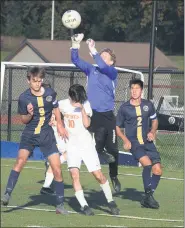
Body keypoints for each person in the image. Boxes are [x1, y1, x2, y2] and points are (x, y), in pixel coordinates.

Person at [1, 67, 68, 214]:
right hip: (29, 134)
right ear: (28, 81)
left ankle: (60, 205)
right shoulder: (24, 98)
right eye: (34, 81)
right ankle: (7, 194)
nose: (37, 84)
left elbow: (56, 108)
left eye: (39, 81)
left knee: (57, 168)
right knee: (20, 161)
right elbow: (24, 120)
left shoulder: (50, 93)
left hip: (46, 135)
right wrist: (30, 114)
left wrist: (60, 125)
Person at [58, 84, 120, 215]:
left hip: (86, 145)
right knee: (74, 175)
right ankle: (84, 206)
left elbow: (87, 124)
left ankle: (110, 201)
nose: (78, 100)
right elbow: (55, 109)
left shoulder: (85, 104)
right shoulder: (63, 104)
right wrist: (59, 124)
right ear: (71, 96)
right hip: (72, 146)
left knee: (98, 175)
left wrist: (81, 109)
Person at [70, 33, 121, 193]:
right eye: (101, 56)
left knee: (113, 150)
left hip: (108, 115)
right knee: (96, 143)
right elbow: (76, 60)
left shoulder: (112, 72)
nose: (102, 58)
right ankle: (101, 154)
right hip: (94, 114)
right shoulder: (92, 70)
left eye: (106, 57)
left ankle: (113, 176)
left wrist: (93, 51)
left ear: (112, 62)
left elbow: (104, 66)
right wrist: (75, 45)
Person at [116, 79, 162, 209]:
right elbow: (118, 128)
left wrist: (153, 132)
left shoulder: (148, 105)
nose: (134, 91)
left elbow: (155, 121)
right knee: (147, 165)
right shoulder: (124, 108)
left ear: (142, 90)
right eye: (132, 88)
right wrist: (125, 140)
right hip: (134, 143)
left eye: (137, 88)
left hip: (148, 142)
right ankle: (148, 197)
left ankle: (148, 197)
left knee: (158, 170)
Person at [40, 112, 67, 195]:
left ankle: (47, 186)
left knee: (55, 164)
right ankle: (46, 187)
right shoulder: (47, 123)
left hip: (62, 144)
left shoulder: (60, 120)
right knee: (55, 164)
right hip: (55, 145)